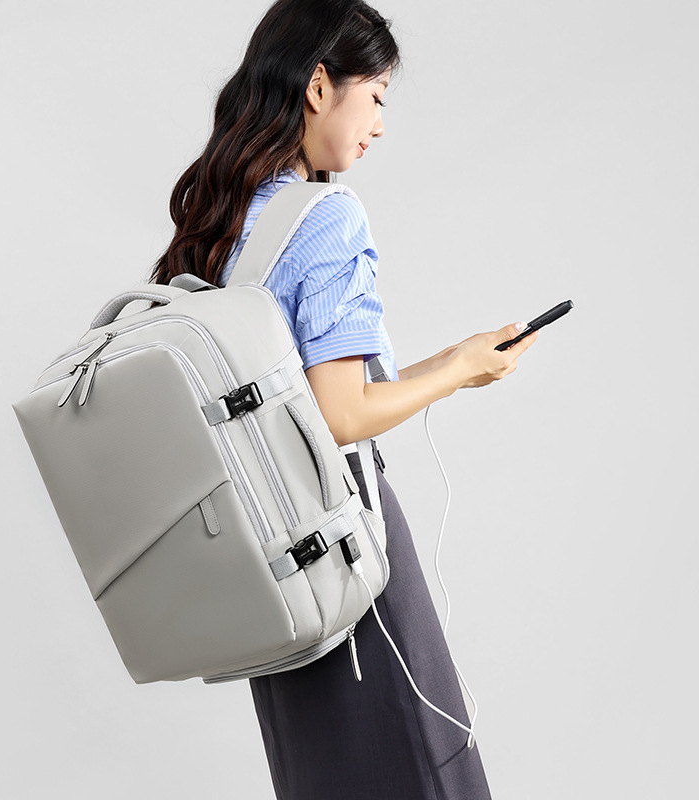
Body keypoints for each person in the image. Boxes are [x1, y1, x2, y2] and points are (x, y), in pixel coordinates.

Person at [151, 1, 538, 797]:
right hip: (344, 540)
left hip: (268, 564)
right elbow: (339, 418)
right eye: (378, 96)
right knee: (426, 769)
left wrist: (456, 360)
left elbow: (297, 399)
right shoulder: (326, 216)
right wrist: (457, 376)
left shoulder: (221, 223)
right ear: (320, 85)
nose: (381, 125)